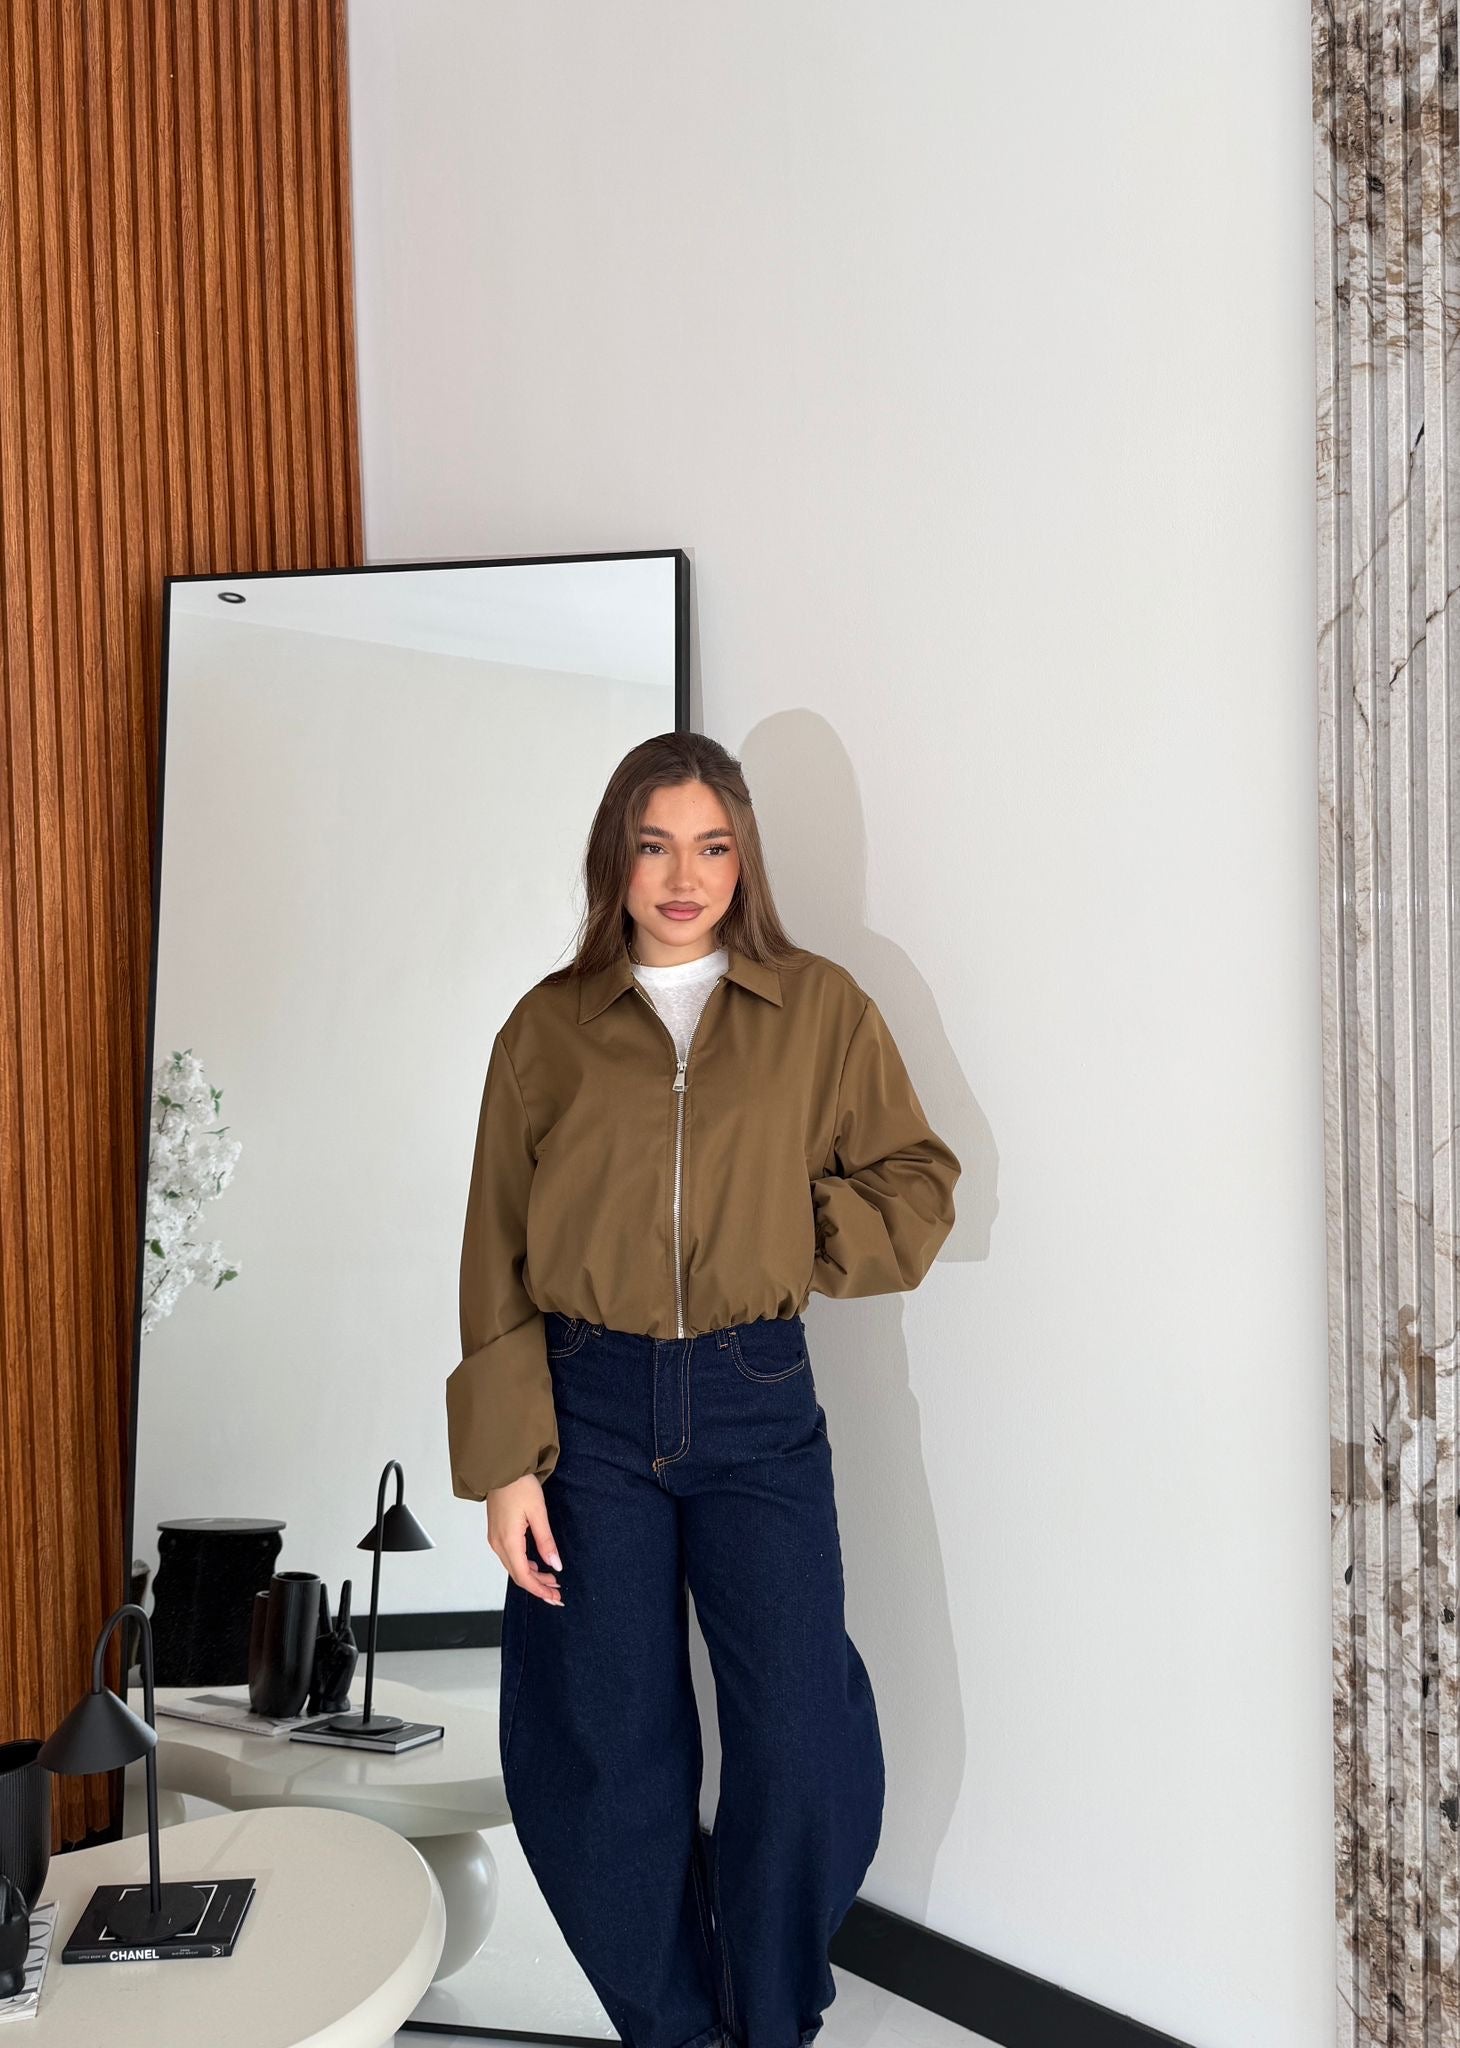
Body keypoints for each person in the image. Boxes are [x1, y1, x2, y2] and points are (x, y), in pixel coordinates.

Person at [447, 731, 960, 2048]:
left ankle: (769, 2019)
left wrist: (792, 1234)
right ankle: (673, 2028)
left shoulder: (819, 1010)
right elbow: (494, 1247)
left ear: (745, 861)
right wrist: (505, 1465)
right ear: (614, 861)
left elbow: (917, 1184)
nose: (686, 878)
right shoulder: (548, 1030)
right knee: (605, 1742)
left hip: (754, 1397)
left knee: (800, 1734)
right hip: (586, 1409)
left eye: (714, 846)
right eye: (657, 845)